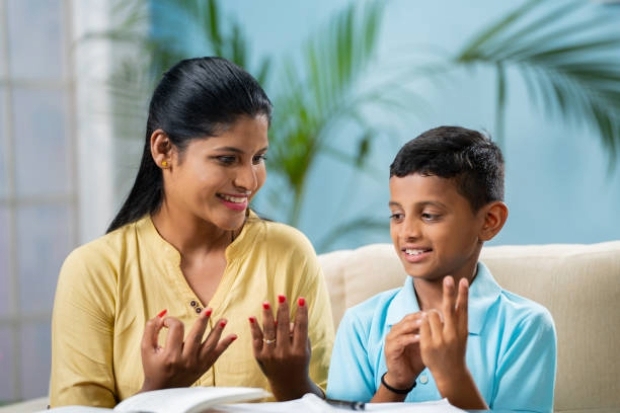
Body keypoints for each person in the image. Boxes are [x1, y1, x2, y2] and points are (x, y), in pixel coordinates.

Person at [49, 56, 334, 407]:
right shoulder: (94, 270)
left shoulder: (289, 253)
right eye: (227, 159)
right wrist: (157, 393)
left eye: (258, 158)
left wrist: (294, 383)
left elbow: (334, 401)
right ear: (164, 150)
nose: (248, 181)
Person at [326, 126, 556, 412]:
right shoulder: (361, 325)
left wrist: (453, 377)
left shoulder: (526, 327)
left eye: (429, 215)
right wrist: (395, 383)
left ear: (489, 221)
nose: (407, 232)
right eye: (397, 215)